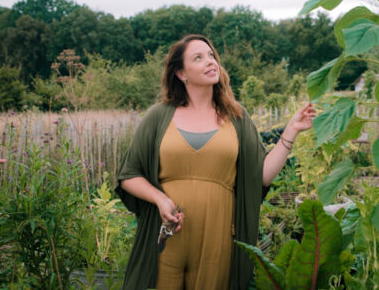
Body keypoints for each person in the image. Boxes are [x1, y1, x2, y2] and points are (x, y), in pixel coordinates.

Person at [115, 34, 315, 290]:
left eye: (211, 56)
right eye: (198, 58)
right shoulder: (158, 116)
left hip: (218, 237)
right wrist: (161, 199)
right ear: (180, 73)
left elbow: (262, 175)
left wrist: (291, 132)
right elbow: (129, 175)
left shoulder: (237, 117)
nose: (210, 62)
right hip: (167, 232)